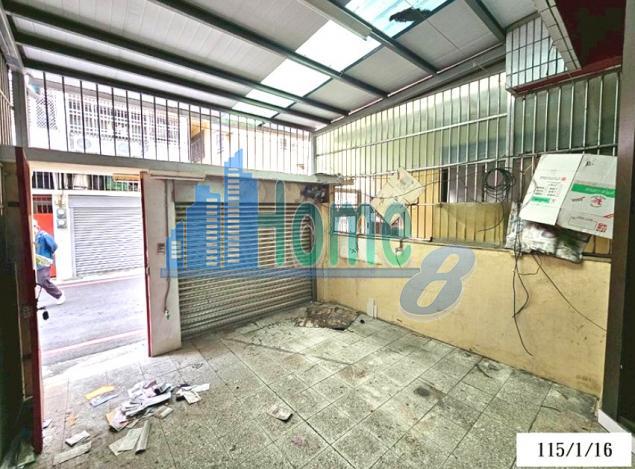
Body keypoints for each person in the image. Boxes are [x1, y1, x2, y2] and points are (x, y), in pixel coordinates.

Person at [33, 220, 65, 305]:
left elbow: (54, 245)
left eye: (33, 227)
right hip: (37, 262)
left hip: (44, 261)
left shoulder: (43, 235)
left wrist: (49, 255)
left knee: (43, 280)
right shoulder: (33, 237)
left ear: (36, 227)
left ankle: (59, 295)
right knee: (40, 281)